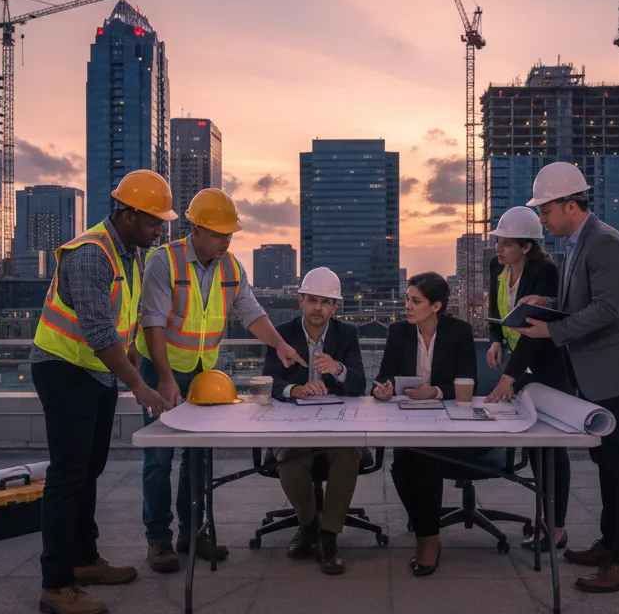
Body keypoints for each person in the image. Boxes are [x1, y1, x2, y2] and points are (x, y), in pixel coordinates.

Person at [28, 170, 175, 614]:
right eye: (153, 221)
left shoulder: (127, 253)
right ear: (128, 215)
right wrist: (139, 385)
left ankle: (84, 558)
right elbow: (96, 333)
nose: (160, 230)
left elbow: (119, 322)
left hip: (95, 372)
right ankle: (56, 584)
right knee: (67, 475)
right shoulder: (92, 254)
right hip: (65, 369)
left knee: (89, 470)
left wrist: (128, 361)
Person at [136, 187, 305, 574]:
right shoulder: (164, 261)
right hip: (162, 369)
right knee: (158, 458)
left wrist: (279, 344)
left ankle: (192, 534)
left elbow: (251, 312)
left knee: (199, 456)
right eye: (217, 234)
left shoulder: (231, 268)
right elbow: (152, 323)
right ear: (195, 229)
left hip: (204, 373)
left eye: (229, 234)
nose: (225, 241)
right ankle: (158, 540)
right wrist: (165, 378)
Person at [513, 161, 619, 594]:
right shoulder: (578, 244)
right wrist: (548, 301)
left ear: (570, 205)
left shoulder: (605, 243)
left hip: (618, 374)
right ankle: (610, 545)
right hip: (597, 376)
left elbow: (607, 309)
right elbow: (584, 301)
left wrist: (552, 331)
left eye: (545, 210)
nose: (542, 219)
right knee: (607, 465)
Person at [372, 272, 489, 577]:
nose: (407, 307)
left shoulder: (459, 332)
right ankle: (425, 525)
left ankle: (429, 541)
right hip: (410, 420)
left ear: (436, 306)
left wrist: (435, 391)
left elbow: (469, 381)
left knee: (423, 460)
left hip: (451, 424)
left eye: (415, 301)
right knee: (401, 465)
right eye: (407, 300)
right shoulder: (398, 332)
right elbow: (383, 375)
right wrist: (382, 389)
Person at [262, 267, 367, 574]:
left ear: (334, 307)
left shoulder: (347, 334)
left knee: (348, 454)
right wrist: (294, 389)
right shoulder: (282, 334)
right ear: (301, 302)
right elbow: (269, 381)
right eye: (312, 300)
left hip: (335, 425)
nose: (318, 308)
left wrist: (338, 369)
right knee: (289, 458)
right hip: (293, 426)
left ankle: (328, 538)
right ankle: (308, 526)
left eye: (325, 302)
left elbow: (359, 385)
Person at [483, 206, 572, 553]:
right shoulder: (497, 267)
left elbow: (536, 330)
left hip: (548, 366)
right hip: (520, 365)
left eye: (507, 244)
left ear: (527, 247)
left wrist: (508, 376)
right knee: (534, 449)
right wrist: (495, 339)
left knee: (550, 450)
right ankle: (545, 521)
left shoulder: (544, 271)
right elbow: (496, 310)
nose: (499, 248)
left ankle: (557, 527)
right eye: (498, 241)